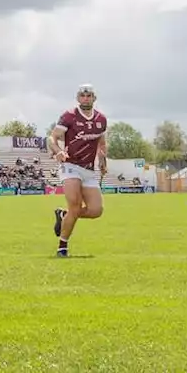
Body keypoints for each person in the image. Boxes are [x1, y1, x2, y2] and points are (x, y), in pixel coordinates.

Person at [50, 84, 108, 258]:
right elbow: (51, 137)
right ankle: (62, 246)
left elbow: (102, 143)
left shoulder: (101, 119)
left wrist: (103, 159)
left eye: (89, 95)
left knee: (96, 210)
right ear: (78, 98)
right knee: (75, 205)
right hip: (71, 166)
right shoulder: (69, 116)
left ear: (94, 98)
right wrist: (58, 150)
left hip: (89, 170)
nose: (86, 98)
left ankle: (64, 215)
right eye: (83, 95)